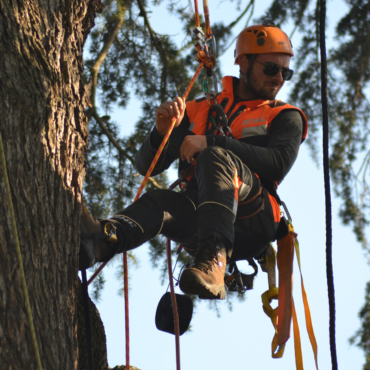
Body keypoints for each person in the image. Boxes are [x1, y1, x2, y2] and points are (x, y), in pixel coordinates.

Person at [79, 22, 308, 300]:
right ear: (244, 64)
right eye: (271, 69)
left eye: (286, 72)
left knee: (216, 156)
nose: (278, 78)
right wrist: (160, 132)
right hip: (199, 217)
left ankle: (215, 262)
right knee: (159, 202)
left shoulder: (283, 115)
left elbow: (279, 163)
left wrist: (212, 142)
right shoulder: (201, 109)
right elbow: (146, 166)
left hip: (253, 218)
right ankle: (101, 242)